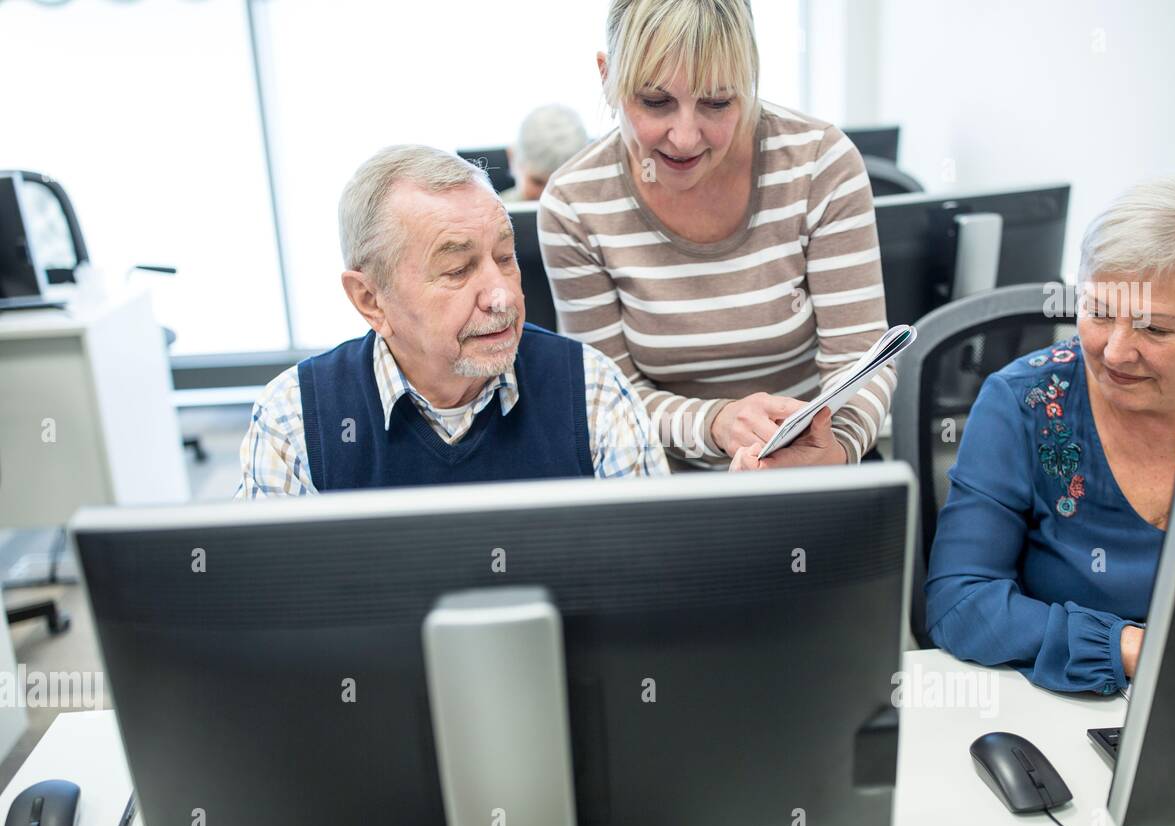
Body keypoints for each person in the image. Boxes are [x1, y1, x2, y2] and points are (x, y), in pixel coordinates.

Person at [925, 175, 1175, 694]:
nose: (1116, 351)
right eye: (1098, 311)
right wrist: (1133, 648)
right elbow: (960, 603)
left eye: (1156, 329)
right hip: (1076, 706)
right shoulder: (1025, 401)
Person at [539, 0, 893, 471]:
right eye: (655, 100)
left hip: (814, 466)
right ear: (606, 76)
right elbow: (608, 395)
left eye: (717, 102)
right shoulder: (574, 203)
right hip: (666, 486)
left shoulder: (819, 164)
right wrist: (716, 423)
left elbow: (860, 359)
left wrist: (835, 450)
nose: (685, 137)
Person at [236, 145, 667, 497]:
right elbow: (265, 597)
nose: (501, 296)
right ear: (370, 301)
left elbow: (656, 574)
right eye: (458, 270)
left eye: (505, 257)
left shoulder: (592, 391)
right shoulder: (294, 420)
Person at [499, 104, 590, 203]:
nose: (549, 196)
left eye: (564, 183)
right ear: (512, 157)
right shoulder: (495, 213)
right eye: (538, 182)